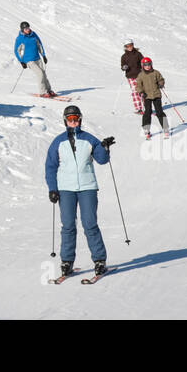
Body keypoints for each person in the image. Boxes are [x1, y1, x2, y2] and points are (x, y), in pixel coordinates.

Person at [46, 105, 116, 278]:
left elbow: (102, 160)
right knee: (68, 225)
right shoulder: (58, 142)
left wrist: (104, 147)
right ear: (65, 121)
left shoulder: (89, 139)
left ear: (80, 119)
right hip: (66, 189)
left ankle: (99, 260)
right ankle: (67, 262)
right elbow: (50, 167)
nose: (73, 122)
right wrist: (53, 189)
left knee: (90, 224)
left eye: (76, 118)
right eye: (70, 119)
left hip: (87, 187)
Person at [15, 21, 53, 97]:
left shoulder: (33, 34)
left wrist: (43, 55)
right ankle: (43, 92)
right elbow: (17, 50)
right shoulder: (20, 38)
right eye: (25, 28)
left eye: (28, 28)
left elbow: (39, 44)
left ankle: (49, 90)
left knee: (43, 74)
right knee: (40, 74)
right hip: (29, 60)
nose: (28, 29)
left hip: (37, 58)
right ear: (22, 29)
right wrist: (21, 61)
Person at [135, 56, 168, 139]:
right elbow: (138, 85)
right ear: (142, 65)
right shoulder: (141, 75)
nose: (147, 66)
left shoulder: (156, 72)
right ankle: (146, 130)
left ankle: (165, 128)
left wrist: (161, 83)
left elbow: (161, 79)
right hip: (147, 96)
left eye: (149, 64)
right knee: (147, 112)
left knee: (159, 112)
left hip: (156, 95)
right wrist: (141, 92)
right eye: (145, 65)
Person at [120, 40, 144, 114]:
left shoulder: (138, 54)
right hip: (130, 76)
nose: (129, 47)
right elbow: (122, 66)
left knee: (143, 91)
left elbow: (143, 62)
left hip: (140, 75)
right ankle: (138, 108)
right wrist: (124, 67)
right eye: (127, 46)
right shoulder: (124, 56)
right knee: (135, 91)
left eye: (131, 45)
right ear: (125, 47)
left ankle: (147, 107)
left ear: (133, 45)